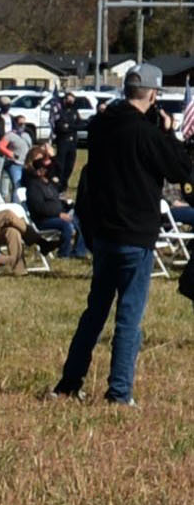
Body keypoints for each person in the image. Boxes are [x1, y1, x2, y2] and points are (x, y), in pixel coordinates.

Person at [53, 65, 194, 405]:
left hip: (103, 231)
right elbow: (179, 169)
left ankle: (69, 383)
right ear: (152, 93)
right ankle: (119, 392)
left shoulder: (102, 126)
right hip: (136, 232)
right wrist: (168, 134)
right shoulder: (147, 135)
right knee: (129, 318)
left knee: (95, 312)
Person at [19, 149, 82, 259]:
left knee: (81, 220)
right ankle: (63, 254)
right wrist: (59, 214)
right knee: (66, 225)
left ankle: (78, 252)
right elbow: (39, 207)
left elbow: (56, 198)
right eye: (40, 165)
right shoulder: (33, 185)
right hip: (43, 220)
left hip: (58, 213)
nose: (44, 168)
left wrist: (67, 206)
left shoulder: (48, 183)